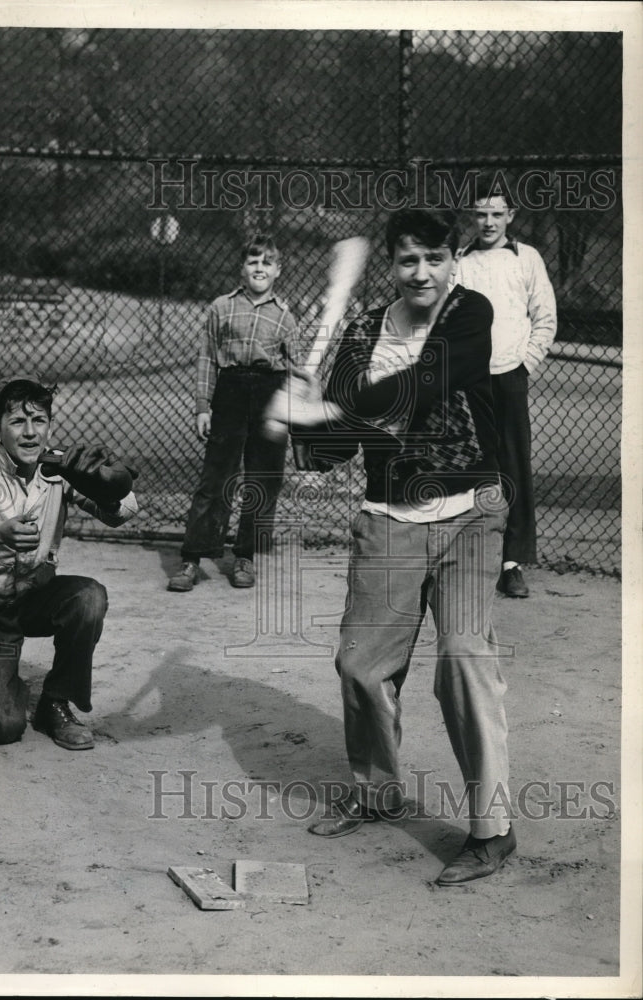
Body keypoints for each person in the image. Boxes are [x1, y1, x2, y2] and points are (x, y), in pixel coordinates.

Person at [276, 208, 516, 885]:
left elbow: (427, 382)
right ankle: (378, 791)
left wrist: (335, 404)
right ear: (391, 265)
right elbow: (331, 454)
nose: (422, 273)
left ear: (452, 261)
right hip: (389, 517)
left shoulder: (469, 316)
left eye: (434, 258)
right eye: (408, 260)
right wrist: (301, 418)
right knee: (360, 667)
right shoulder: (360, 335)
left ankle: (492, 831)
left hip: (472, 513)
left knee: (465, 660)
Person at [0, 376, 139, 750]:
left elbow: (124, 513)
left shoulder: (58, 467)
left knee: (88, 598)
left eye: (40, 421)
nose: (31, 433)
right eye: (18, 422)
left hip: (32, 596)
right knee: (2, 727)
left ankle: (55, 704)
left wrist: (111, 490)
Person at [167, 233, 299, 592]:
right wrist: (201, 407)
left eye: (267, 263)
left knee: (263, 481)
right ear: (242, 269)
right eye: (253, 262)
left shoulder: (285, 317)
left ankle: (245, 556)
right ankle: (193, 557)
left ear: (278, 271)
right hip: (230, 392)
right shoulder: (221, 308)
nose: (259, 268)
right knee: (215, 479)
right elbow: (207, 359)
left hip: (270, 397)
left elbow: (295, 370)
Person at [455, 177, 557, 597]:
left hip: (510, 375)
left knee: (513, 465)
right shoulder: (460, 260)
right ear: (472, 216)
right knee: (470, 463)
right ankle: (465, 556)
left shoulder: (527, 258)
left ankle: (512, 561)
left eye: (498, 213)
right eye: (481, 213)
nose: (489, 221)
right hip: (469, 380)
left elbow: (545, 316)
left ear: (511, 216)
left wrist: (524, 363)